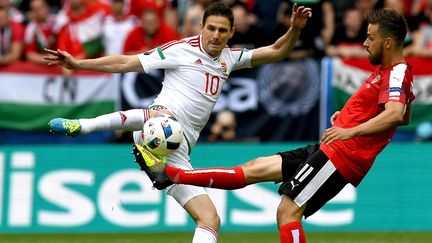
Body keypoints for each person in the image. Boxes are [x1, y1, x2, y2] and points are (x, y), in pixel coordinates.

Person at [132, 8, 415, 243]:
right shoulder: (391, 73)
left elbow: (393, 114)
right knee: (256, 168)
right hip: (331, 147)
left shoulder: (397, 71)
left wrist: (349, 129)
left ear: (388, 43)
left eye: (370, 37)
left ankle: (169, 173)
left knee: (287, 212)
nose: (365, 43)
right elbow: (404, 116)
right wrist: (347, 117)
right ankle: (173, 175)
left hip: (342, 155)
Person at [44, 2, 312, 243]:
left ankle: (156, 162)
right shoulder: (181, 50)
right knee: (162, 117)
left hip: (178, 150)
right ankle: (84, 125)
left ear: (231, 33)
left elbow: (277, 51)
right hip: (157, 128)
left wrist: (295, 30)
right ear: (201, 28)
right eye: (211, 28)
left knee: (209, 219)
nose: (215, 35)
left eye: (222, 30)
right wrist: (79, 64)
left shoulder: (231, 58)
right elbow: (127, 61)